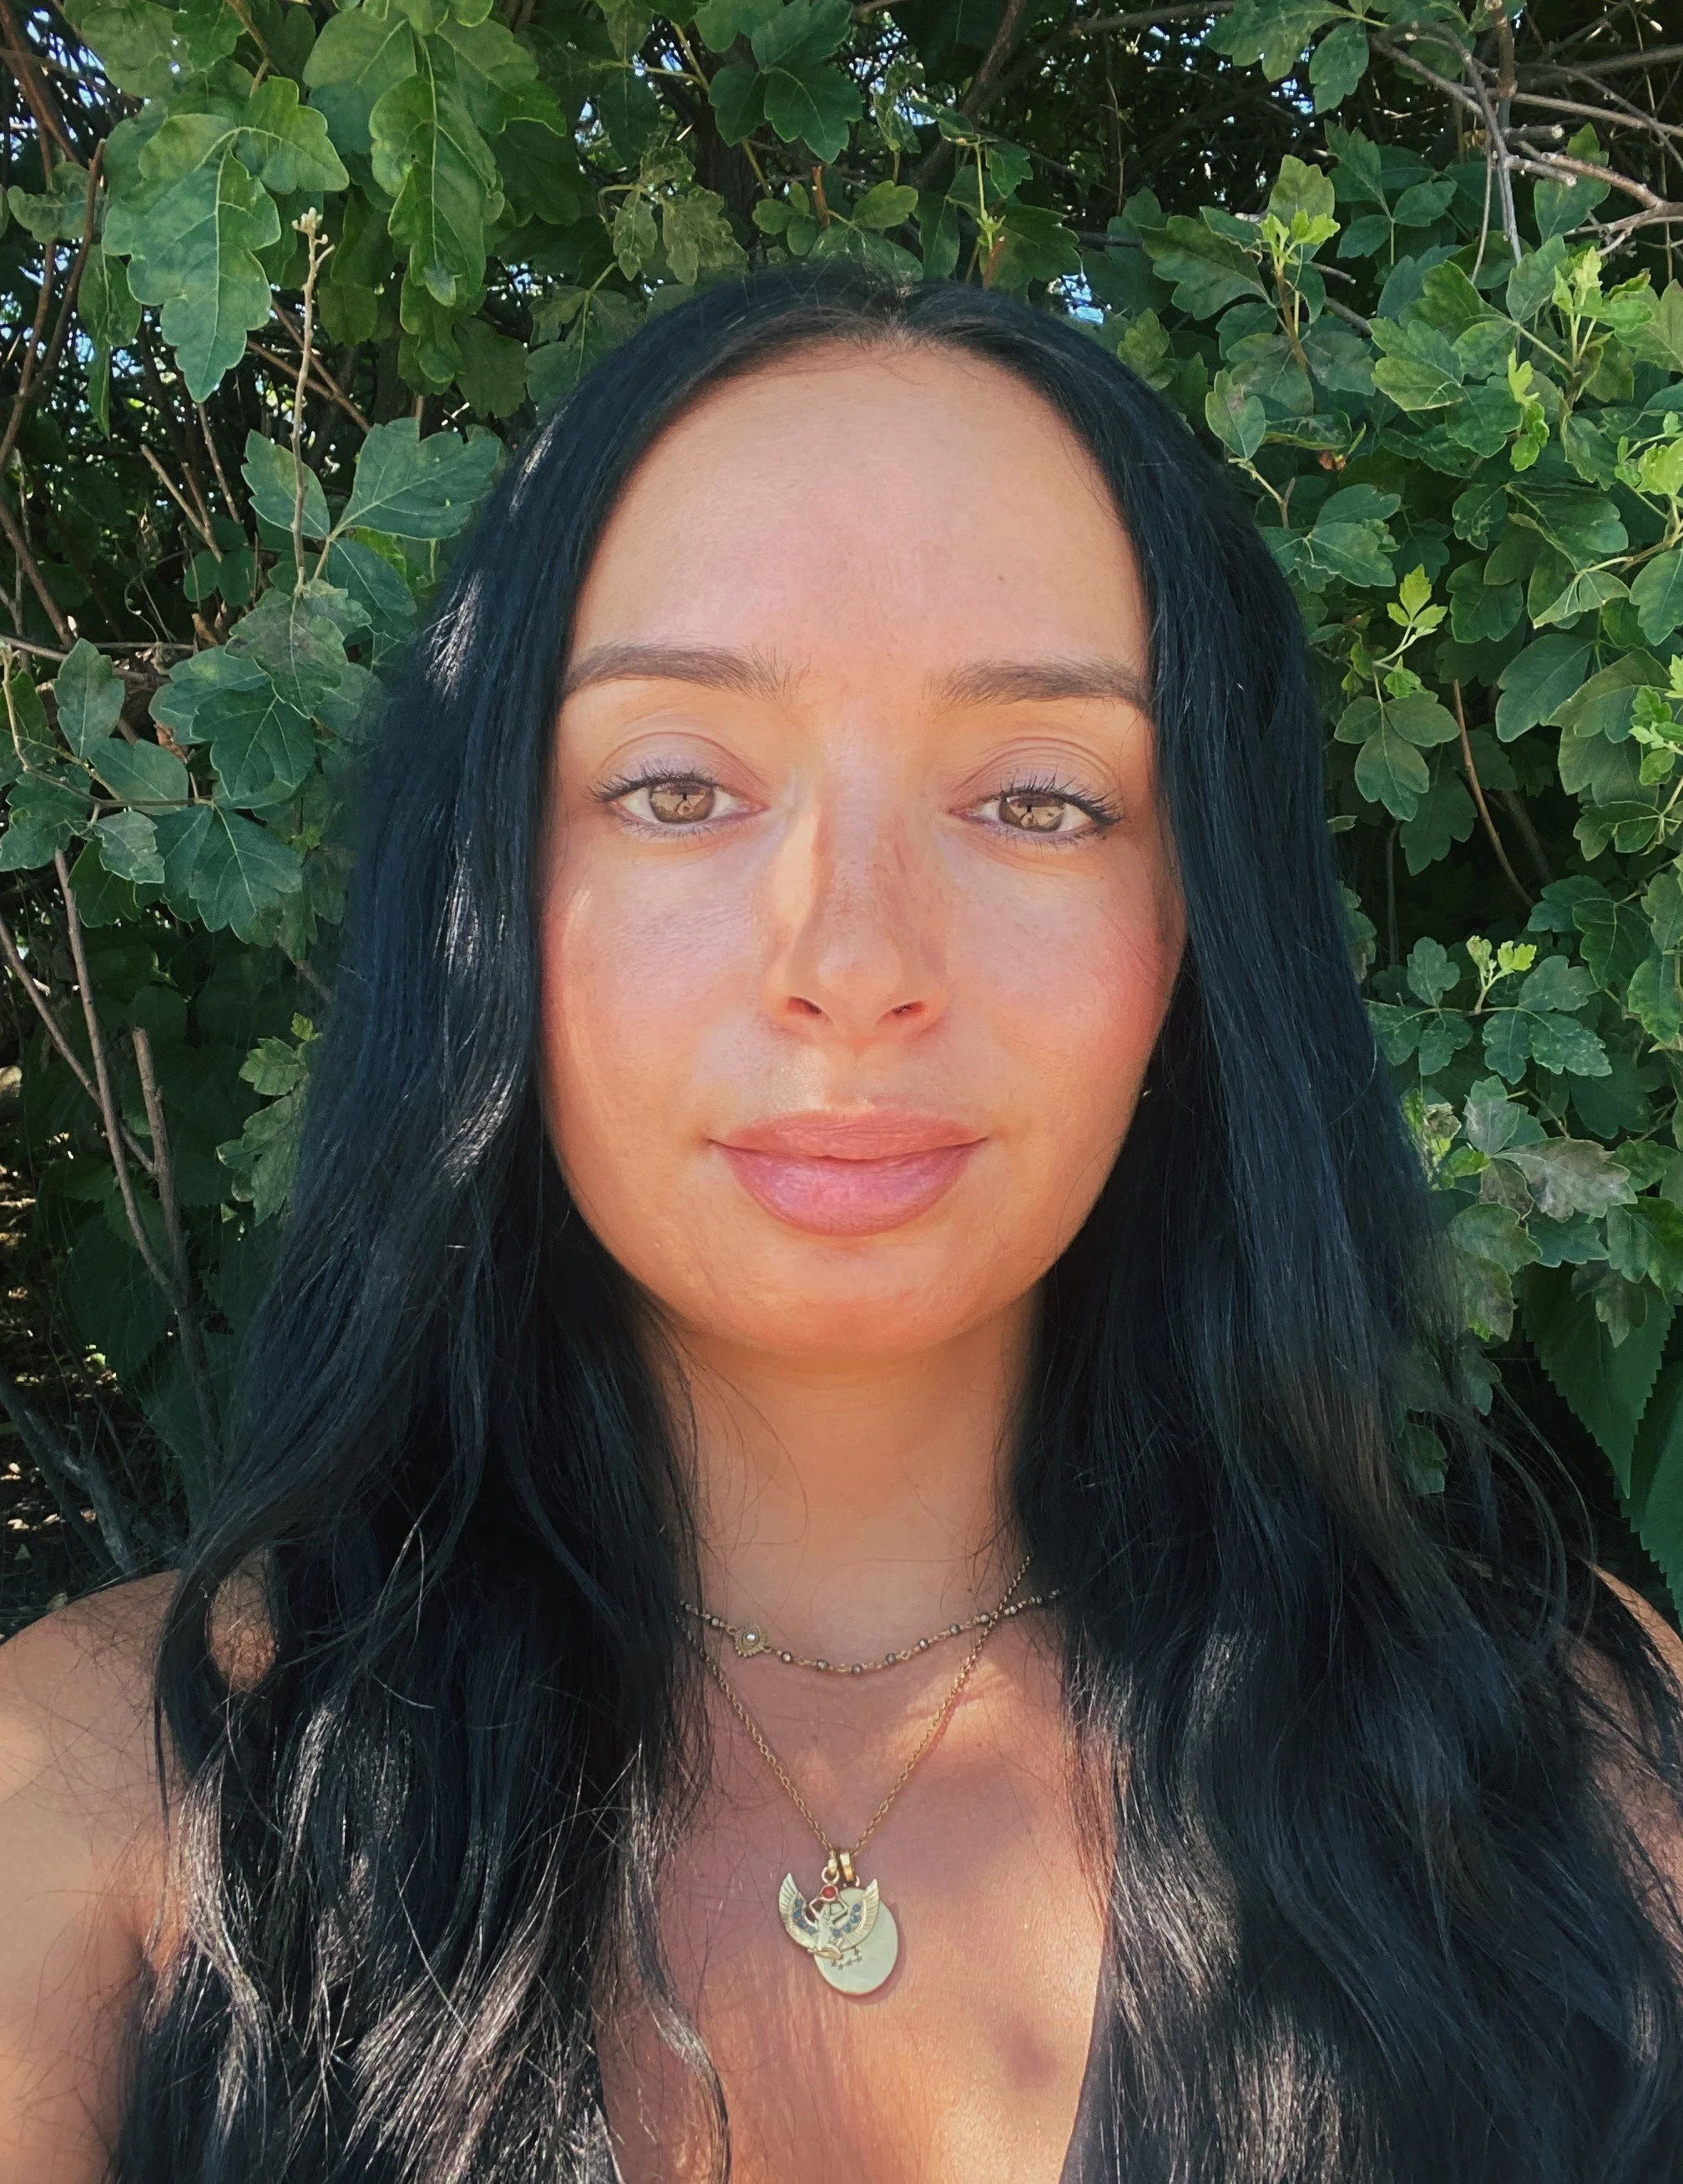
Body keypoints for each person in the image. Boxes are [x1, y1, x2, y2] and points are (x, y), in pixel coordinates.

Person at [3, 266, 1682, 2184]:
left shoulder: (1571, 1787)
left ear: (1197, 943)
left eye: (1041, 801)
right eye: (675, 785)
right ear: (478, 906)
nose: (856, 961)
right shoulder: (109, 1820)